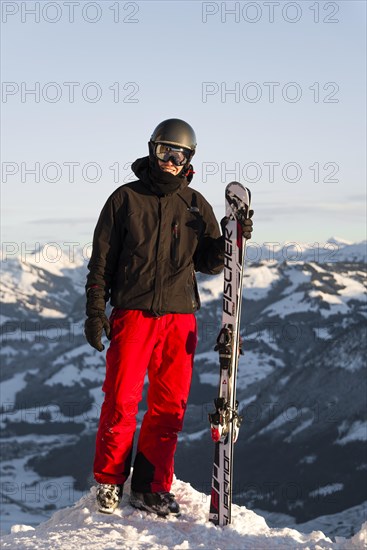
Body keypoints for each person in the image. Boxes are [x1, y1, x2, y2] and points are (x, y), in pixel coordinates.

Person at [84, 118, 253, 517]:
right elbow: (101, 262)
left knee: (169, 407)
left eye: (179, 155)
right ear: (152, 150)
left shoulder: (196, 205)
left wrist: (233, 236)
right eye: (165, 152)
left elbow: (211, 263)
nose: (171, 161)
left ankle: (151, 486)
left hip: (180, 318)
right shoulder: (124, 200)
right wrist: (95, 311)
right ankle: (109, 481)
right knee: (121, 401)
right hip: (133, 314)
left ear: (190, 159)